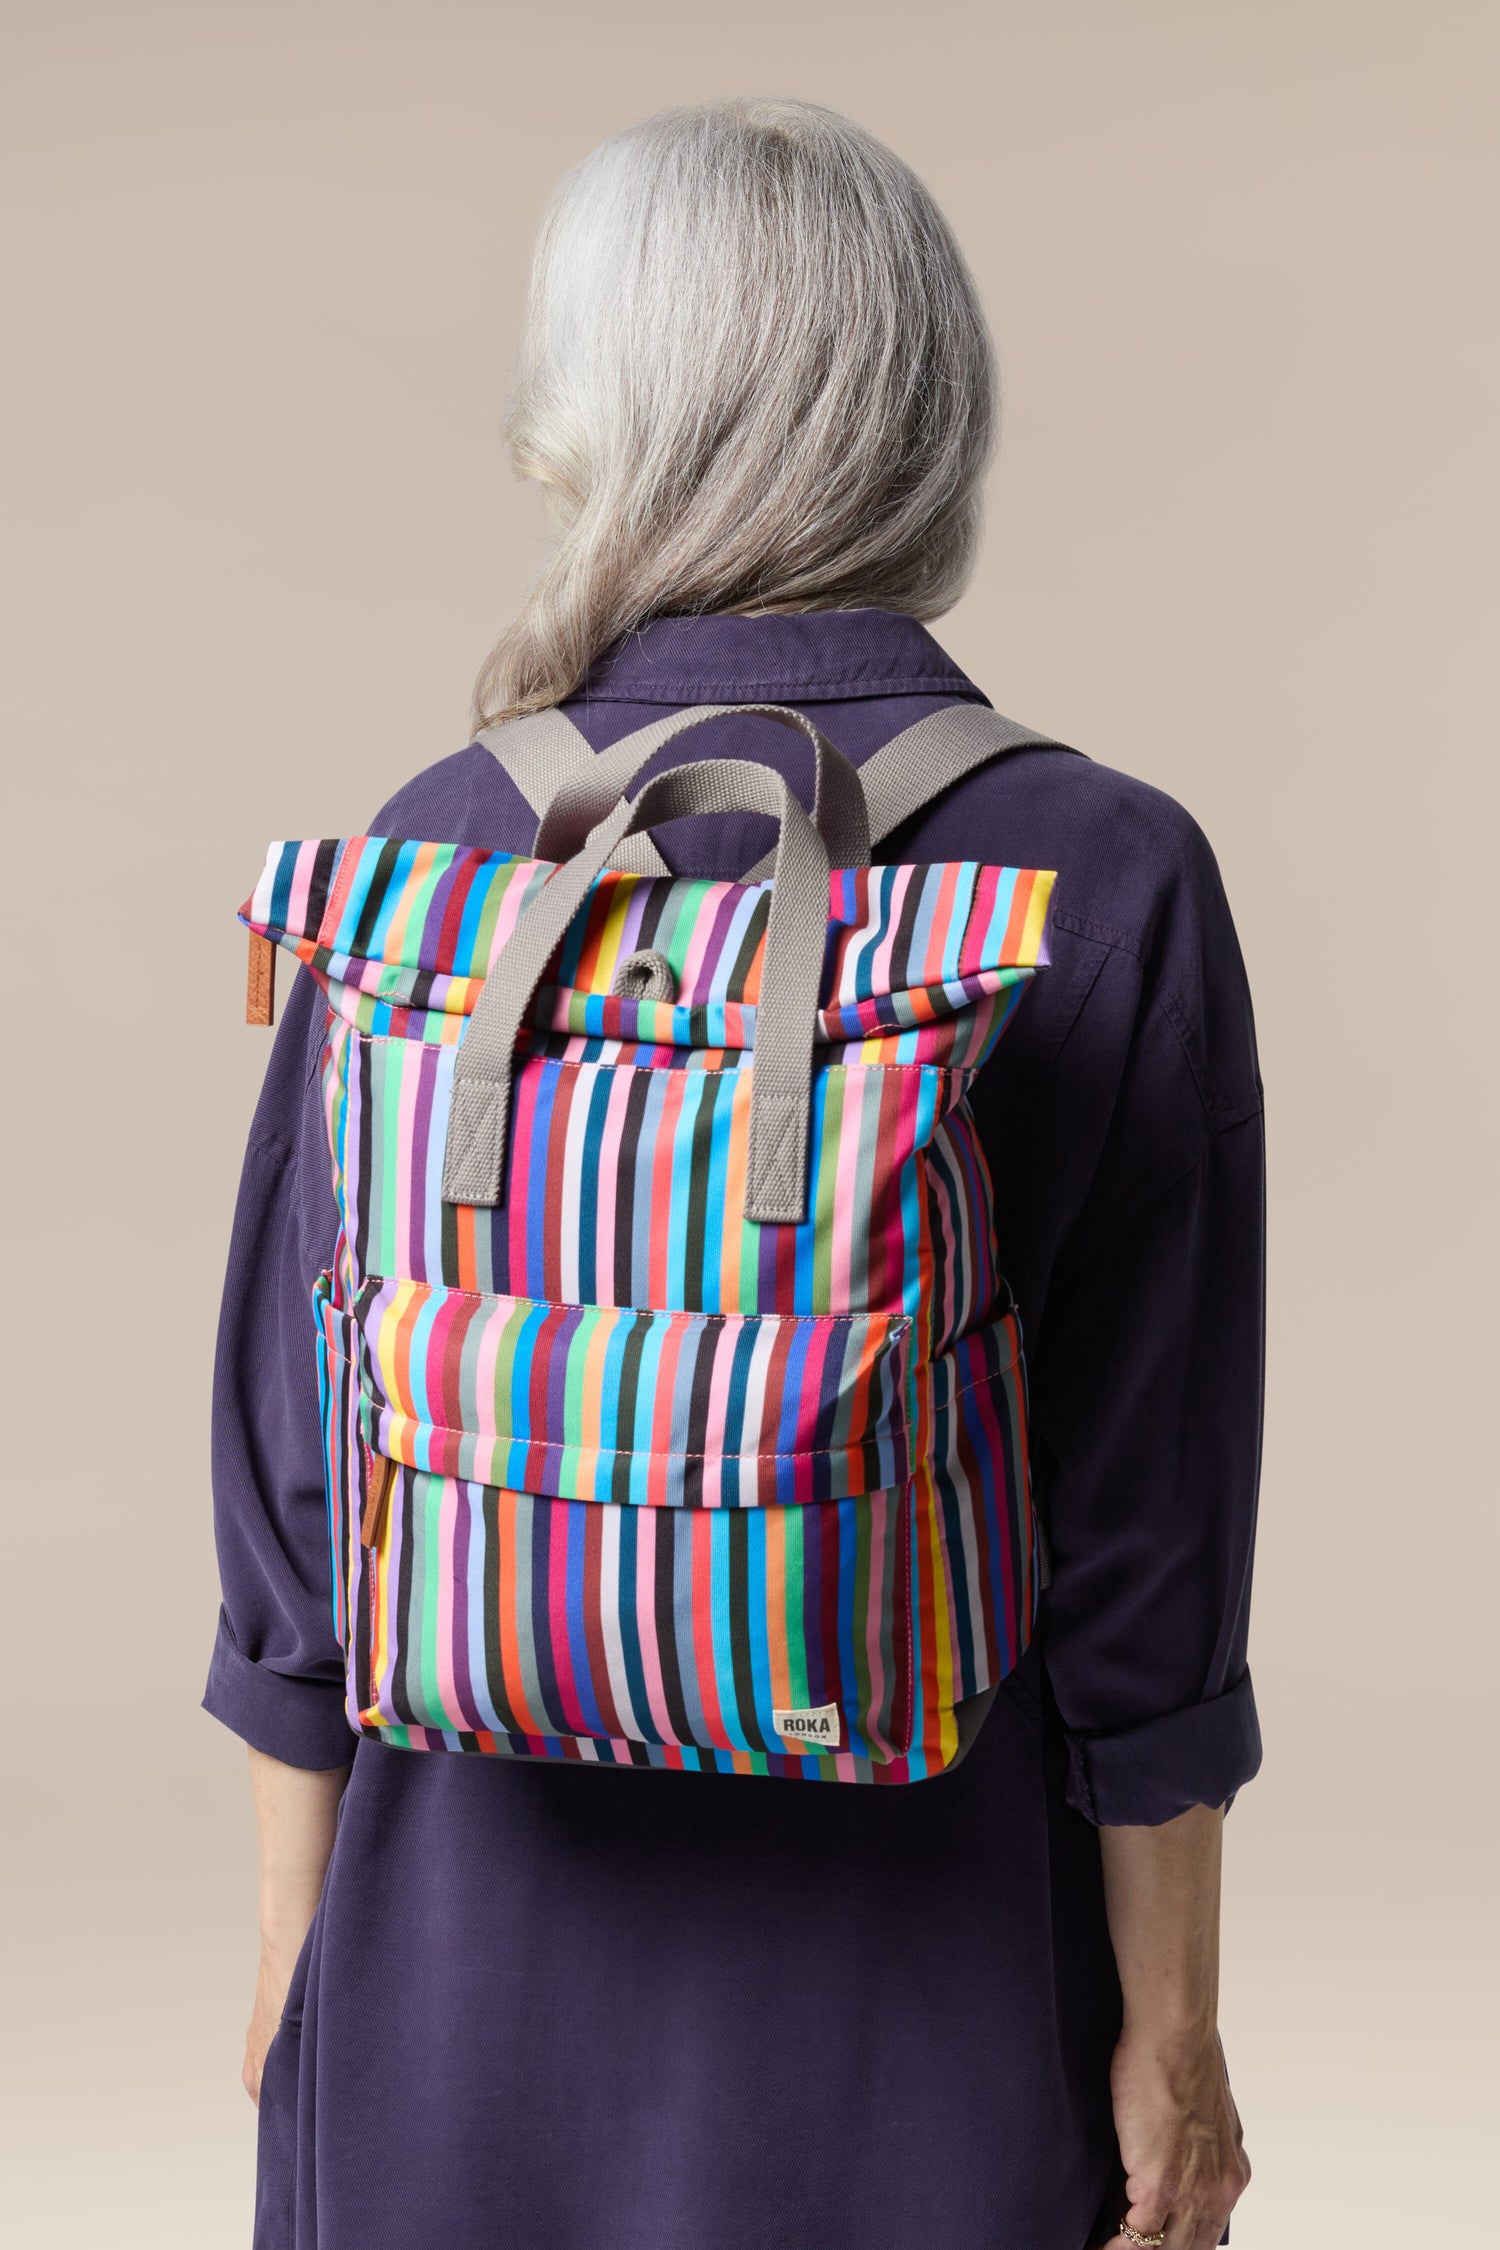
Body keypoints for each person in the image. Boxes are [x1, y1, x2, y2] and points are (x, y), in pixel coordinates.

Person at [207, 96, 1261, 2250]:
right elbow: (1150, 1538)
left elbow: (297, 1478)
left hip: (453, 1976)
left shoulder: (427, 850)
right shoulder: (1107, 874)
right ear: (927, 412)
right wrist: (1170, 2031)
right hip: (936, 1982)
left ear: (589, 409)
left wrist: (302, 1971)